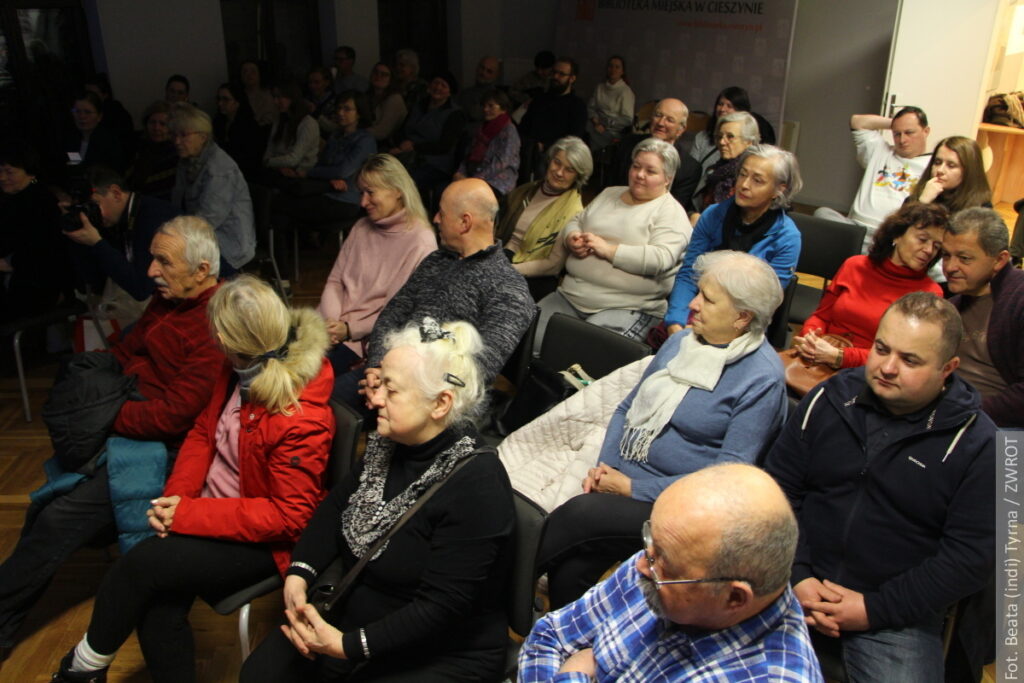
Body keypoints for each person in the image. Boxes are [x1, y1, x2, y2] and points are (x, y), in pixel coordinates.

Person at [48, 274, 334, 683]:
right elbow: (203, 430)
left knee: (140, 567)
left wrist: (186, 515)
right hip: (205, 512)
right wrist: (176, 499)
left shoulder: (300, 416)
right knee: (156, 599)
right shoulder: (240, 366)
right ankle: (86, 671)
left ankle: (81, 669)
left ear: (225, 339)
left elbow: (289, 517)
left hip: (263, 542)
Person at [0, 216, 225, 660]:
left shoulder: (216, 323)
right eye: (152, 259)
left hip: (162, 450)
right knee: (50, 504)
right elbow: (126, 350)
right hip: (129, 421)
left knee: (57, 519)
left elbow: (174, 416)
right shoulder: (168, 300)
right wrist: (89, 384)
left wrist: (104, 415)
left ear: (201, 271)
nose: (150, 271)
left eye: (163, 261)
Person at [240, 318, 514, 682]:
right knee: (259, 675)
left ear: (440, 403)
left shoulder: (477, 485)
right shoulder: (391, 440)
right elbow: (337, 506)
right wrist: (299, 572)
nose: (375, 397)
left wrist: (348, 646)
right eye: (379, 382)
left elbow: (442, 606)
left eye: (392, 390)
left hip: (441, 649)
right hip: (360, 608)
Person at [765, 292, 995, 683]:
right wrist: (797, 573)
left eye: (910, 360)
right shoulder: (828, 398)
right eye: (882, 349)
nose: (887, 367)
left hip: (895, 615)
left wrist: (874, 609)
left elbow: (970, 557)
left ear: (948, 368)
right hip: (790, 576)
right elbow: (778, 490)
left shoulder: (979, 444)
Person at [537, 251, 786, 607]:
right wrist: (606, 468)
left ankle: (496, 590)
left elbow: (726, 479)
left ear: (742, 318)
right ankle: (562, 635)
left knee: (580, 515)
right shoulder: (681, 343)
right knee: (572, 567)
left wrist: (632, 488)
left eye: (708, 299)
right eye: (698, 292)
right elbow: (626, 409)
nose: (693, 305)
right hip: (622, 477)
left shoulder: (761, 379)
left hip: (682, 505)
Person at [519, 464, 823, 682]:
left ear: (733, 597)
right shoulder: (665, 561)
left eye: (662, 562)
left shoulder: (768, 674)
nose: (640, 564)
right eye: (651, 543)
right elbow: (549, 636)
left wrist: (573, 672)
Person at [337, 178, 534, 413]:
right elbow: (391, 315)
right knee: (318, 403)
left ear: (465, 222)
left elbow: (475, 371)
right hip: (389, 372)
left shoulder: (509, 289)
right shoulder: (436, 260)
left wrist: (396, 385)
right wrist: (377, 367)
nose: (435, 219)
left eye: (442, 213)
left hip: (437, 401)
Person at [533, 137, 690, 346]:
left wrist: (609, 250)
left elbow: (661, 259)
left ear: (668, 178)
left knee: (577, 356)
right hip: (570, 295)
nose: (640, 175)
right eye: (636, 167)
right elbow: (576, 220)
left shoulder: (670, 212)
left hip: (626, 307)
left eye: (650, 171)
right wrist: (572, 238)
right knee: (526, 339)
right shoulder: (610, 193)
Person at [316, 153, 437, 389]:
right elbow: (335, 281)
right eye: (362, 192)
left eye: (371, 192)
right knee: (274, 364)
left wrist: (349, 330)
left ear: (397, 190)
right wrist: (333, 324)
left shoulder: (421, 242)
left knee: (302, 385)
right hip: (328, 327)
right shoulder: (361, 227)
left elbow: (396, 311)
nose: (363, 202)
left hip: (361, 341)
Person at [791, 202, 945, 371]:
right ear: (897, 235)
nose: (929, 250)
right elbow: (822, 316)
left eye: (936, 246)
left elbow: (901, 359)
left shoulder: (929, 295)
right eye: (922, 239)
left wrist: (840, 357)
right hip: (819, 356)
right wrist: (810, 337)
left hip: (868, 373)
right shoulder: (855, 266)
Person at [665, 144, 802, 332]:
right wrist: (676, 322)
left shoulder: (787, 237)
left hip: (742, 325)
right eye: (743, 174)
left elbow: (764, 303)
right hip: (697, 308)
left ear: (779, 189)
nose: (744, 185)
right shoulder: (713, 215)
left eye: (758, 180)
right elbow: (690, 273)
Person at [943, 206, 1022, 428]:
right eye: (946, 255)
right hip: (946, 418)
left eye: (964, 258)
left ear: (999, 260)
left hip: (1004, 426)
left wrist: (964, 414)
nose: (950, 267)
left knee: (1009, 463)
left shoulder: (1019, 300)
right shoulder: (950, 308)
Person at [814, 106, 931, 252]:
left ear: (926, 131)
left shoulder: (933, 165)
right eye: (897, 133)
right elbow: (857, 121)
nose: (902, 140)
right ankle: (868, 253)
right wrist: (896, 122)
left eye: (909, 132)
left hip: (891, 234)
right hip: (855, 228)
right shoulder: (879, 151)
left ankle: (862, 253)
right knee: (822, 213)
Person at [65, 165, 178, 308]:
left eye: (94, 205)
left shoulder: (152, 218)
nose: (91, 212)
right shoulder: (116, 220)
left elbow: (141, 288)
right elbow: (94, 285)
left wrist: (97, 244)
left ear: (116, 193)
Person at [497, 136, 591, 301]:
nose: (559, 172)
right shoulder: (525, 191)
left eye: (569, 170)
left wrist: (508, 270)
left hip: (533, 275)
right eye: (557, 162)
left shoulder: (574, 212)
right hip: (501, 255)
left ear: (578, 176)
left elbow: (552, 266)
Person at [169, 103, 255, 276]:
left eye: (184, 135)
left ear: (202, 137)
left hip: (227, 241)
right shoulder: (185, 161)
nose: (177, 141)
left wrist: (174, 238)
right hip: (199, 235)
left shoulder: (219, 170)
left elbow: (208, 220)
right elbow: (177, 203)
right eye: (174, 135)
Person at [273, 91, 377, 232]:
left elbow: (343, 171)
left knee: (281, 205)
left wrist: (309, 173)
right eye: (339, 108)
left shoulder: (365, 141)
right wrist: (327, 177)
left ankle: (281, 251)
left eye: (347, 109)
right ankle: (287, 250)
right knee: (280, 198)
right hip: (324, 189)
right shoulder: (336, 136)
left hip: (345, 199)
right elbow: (322, 164)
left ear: (359, 113)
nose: (340, 112)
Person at [0, 143, 67, 321]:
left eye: (9, 172)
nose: (2, 177)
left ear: (28, 171)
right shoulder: (10, 198)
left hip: (35, 282)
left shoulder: (41, 200)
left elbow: (43, 250)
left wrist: (9, 262)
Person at [389, 72, 467, 205]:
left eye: (443, 86)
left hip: (436, 163)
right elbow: (402, 130)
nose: (438, 88)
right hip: (408, 155)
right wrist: (401, 145)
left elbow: (444, 146)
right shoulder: (419, 105)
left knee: (405, 181)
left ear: (449, 92)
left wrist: (415, 147)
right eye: (436, 83)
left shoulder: (455, 114)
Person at [615, 97, 702, 211]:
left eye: (669, 120)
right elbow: (611, 186)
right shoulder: (627, 144)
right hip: (617, 207)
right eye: (658, 115)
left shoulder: (689, 168)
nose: (661, 123)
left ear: (681, 129)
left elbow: (674, 210)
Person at [518, 57, 586, 182]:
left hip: (556, 155)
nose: (555, 77)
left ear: (572, 78)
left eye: (561, 74)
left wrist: (547, 146)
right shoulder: (540, 99)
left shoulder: (577, 106)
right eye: (554, 72)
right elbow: (524, 126)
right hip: (530, 151)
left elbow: (574, 139)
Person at [690, 110, 759, 222]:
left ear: (749, 142)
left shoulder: (753, 179)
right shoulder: (713, 170)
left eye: (730, 137)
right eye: (719, 136)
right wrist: (693, 215)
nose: (722, 142)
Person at [689, 86, 776, 174]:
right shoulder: (702, 137)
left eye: (729, 106)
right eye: (720, 104)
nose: (722, 109)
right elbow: (691, 170)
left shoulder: (747, 146)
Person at [453, 88, 520, 196]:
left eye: (491, 106)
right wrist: (460, 172)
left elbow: (501, 163)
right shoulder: (481, 128)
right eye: (484, 105)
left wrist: (474, 180)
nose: (485, 109)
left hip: (498, 181)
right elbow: (469, 154)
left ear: (503, 108)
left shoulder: (509, 130)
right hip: (475, 176)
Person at [907, 135, 992, 212]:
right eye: (937, 162)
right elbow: (898, 228)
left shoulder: (981, 209)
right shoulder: (917, 198)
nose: (940, 170)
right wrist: (922, 203)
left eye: (951, 165)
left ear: (969, 171)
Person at [262, 79, 320, 179]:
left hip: (300, 175)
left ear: (292, 97)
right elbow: (269, 150)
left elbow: (294, 159)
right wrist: (272, 163)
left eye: (280, 97)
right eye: (274, 97)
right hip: (278, 171)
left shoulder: (308, 123)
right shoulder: (280, 120)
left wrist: (270, 162)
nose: (276, 101)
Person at [212, 81, 268, 180]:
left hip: (244, 175)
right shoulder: (218, 122)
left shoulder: (250, 126)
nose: (220, 103)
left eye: (226, 100)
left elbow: (249, 159)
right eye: (219, 99)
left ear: (237, 102)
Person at [64, 91, 127, 174]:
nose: (82, 116)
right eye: (77, 111)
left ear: (99, 116)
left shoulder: (109, 141)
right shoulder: (71, 138)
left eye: (87, 112)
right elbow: (72, 165)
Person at [127, 100, 177, 201]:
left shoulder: (175, 154)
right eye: (152, 122)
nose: (156, 128)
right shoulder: (139, 147)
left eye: (163, 124)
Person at [586, 55, 634, 152]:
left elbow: (627, 119)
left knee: (594, 138)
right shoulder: (600, 87)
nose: (613, 70)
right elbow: (591, 108)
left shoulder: (626, 92)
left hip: (612, 130)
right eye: (611, 66)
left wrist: (605, 123)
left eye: (617, 67)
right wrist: (596, 123)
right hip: (595, 124)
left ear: (622, 71)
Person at [365, 61, 407, 144]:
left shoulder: (395, 99)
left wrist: (355, 132)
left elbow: (382, 132)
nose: (378, 76)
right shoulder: (368, 95)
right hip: (368, 139)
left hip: (388, 144)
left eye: (384, 74)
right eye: (376, 72)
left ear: (391, 79)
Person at [455, 55, 502, 125]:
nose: (483, 73)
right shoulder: (465, 93)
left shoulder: (496, 98)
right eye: (482, 68)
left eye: (489, 71)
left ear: (495, 76)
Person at [240, 60, 276, 127]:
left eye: (253, 71)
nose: (249, 75)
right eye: (245, 72)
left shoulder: (268, 96)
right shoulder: (237, 96)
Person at [305, 65, 336, 134]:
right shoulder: (308, 99)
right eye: (310, 82)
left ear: (327, 82)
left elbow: (333, 128)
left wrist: (315, 112)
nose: (312, 86)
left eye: (317, 82)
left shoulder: (335, 102)